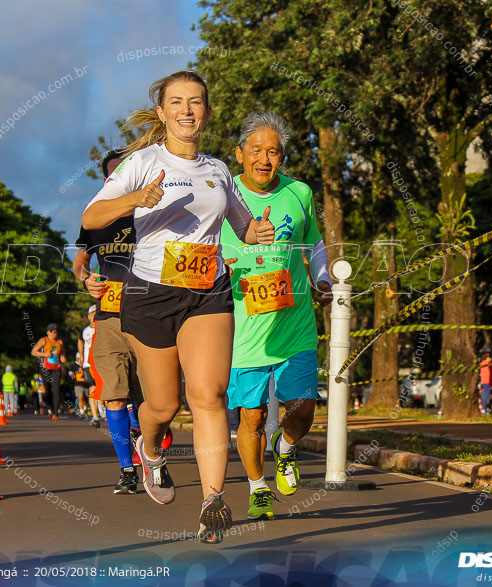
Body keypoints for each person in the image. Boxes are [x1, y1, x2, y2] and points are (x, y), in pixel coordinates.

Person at [81, 70, 275, 542]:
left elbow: (241, 223)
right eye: (177, 102)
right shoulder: (142, 162)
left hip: (208, 290)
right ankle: (150, 450)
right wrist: (134, 199)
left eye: (196, 102)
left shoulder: (218, 170)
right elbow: (90, 218)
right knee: (162, 406)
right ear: (164, 111)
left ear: (205, 112)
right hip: (149, 293)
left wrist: (256, 232)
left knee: (208, 396)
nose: (187, 110)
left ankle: (212, 500)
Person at [219, 112, 334, 520]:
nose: (264, 159)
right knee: (251, 416)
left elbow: (315, 244)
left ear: (281, 158)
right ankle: (256, 486)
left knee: (303, 408)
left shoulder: (298, 192)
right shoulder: (222, 193)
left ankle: (285, 447)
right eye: (256, 150)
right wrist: (223, 266)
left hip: (294, 321)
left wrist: (322, 279)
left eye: (273, 152)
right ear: (240, 154)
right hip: (244, 328)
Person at [74, 148, 149, 492]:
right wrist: (85, 278)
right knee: (114, 397)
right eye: (113, 175)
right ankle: (127, 470)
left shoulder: (156, 214)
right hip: (110, 317)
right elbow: (80, 262)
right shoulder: (96, 219)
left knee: (155, 402)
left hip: (153, 314)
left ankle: (149, 446)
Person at [31, 324, 66, 421]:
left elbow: (63, 355)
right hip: (45, 369)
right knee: (47, 391)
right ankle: (50, 407)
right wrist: (44, 354)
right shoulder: (44, 340)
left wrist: (63, 358)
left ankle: (55, 413)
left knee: (56, 391)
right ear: (48, 332)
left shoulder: (60, 342)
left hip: (56, 368)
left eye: (55, 332)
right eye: (51, 332)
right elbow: (33, 352)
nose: (53, 334)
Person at [77, 305, 102, 428]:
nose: (94, 315)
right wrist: (81, 356)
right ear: (88, 316)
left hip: (101, 362)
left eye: (96, 313)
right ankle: (95, 416)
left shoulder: (102, 327)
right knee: (92, 388)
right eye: (92, 313)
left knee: (102, 387)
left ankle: (102, 407)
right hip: (88, 363)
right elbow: (80, 341)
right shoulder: (84, 330)